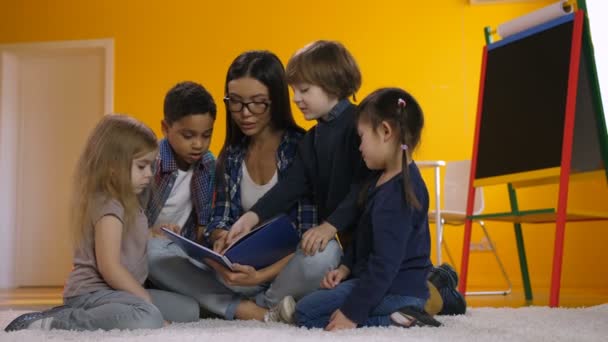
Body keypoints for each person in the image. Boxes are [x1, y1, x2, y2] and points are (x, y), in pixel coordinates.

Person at [4, 115, 199, 332]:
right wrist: (145, 300)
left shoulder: (131, 200)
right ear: (113, 166)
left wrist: (155, 233)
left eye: (151, 166)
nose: (149, 174)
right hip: (92, 294)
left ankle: (136, 309)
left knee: (189, 310)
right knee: (148, 317)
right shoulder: (108, 205)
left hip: (119, 293)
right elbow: (110, 267)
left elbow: (127, 239)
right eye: (142, 166)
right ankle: (57, 322)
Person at [294, 87, 441, 330]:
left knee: (306, 313)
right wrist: (345, 268)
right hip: (386, 284)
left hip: (397, 289)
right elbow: (365, 238)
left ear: (385, 132)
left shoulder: (397, 195)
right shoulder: (379, 179)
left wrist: (352, 315)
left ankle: (406, 318)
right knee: (312, 306)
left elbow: (384, 265)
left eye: (361, 138)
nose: (359, 147)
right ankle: (427, 296)